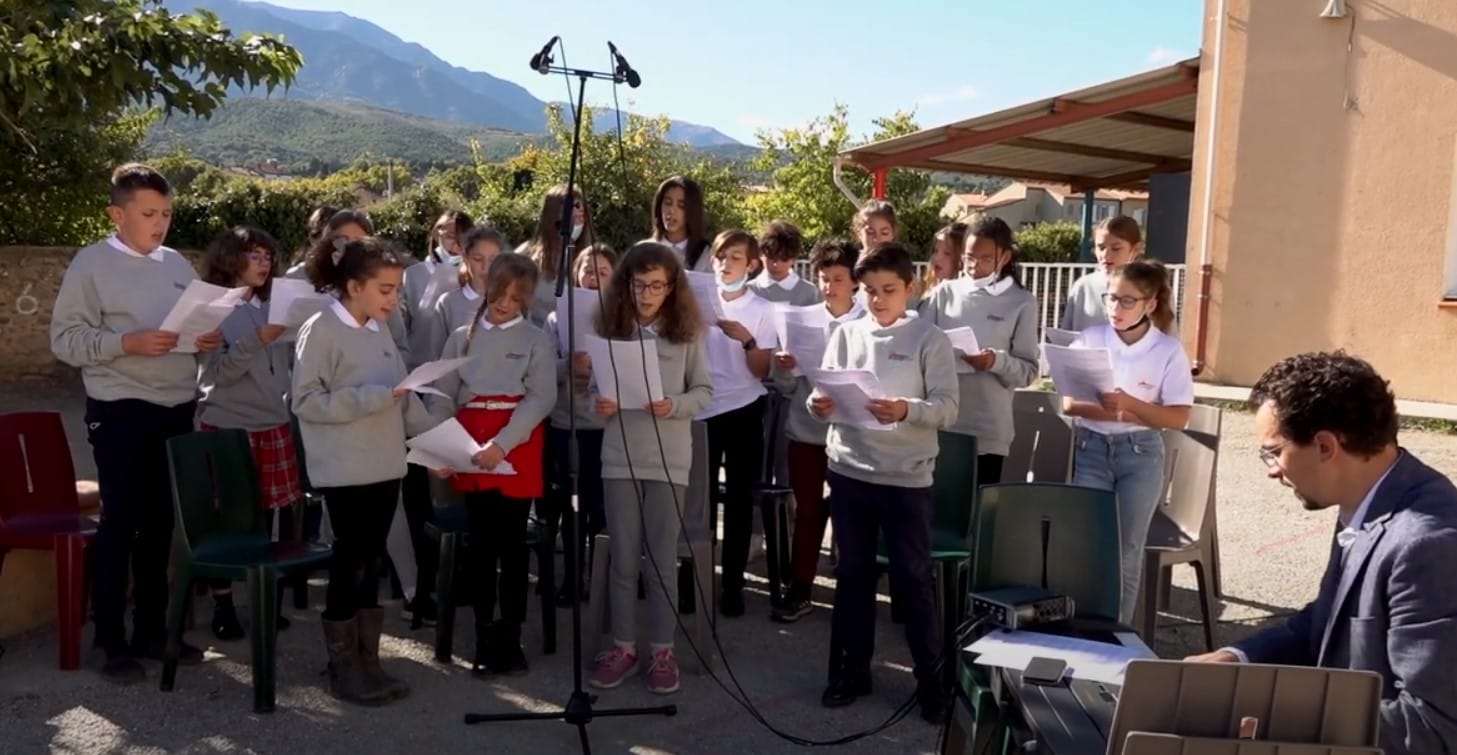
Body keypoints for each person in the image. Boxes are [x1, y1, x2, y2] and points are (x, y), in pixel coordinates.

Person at [1187, 352, 1457, 755]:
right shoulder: (1366, 495)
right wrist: (1238, 660)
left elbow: (1431, 728)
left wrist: (1267, 713)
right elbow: (1329, 619)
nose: (1272, 470)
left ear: (1326, 446)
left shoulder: (1427, 544)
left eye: (1274, 452)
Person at [50, 162, 222, 682]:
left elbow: (190, 330)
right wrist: (126, 342)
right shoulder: (91, 265)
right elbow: (65, 341)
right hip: (120, 409)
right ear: (116, 214)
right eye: (149, 213)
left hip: (175, 408)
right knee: (121, 524)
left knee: (160, 527)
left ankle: (151, 631)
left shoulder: (177, 266)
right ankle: (110, 642)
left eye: (166, 213)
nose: (160, 223)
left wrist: (205, 340)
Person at [809, 242, 958, 722]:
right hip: (850, 469)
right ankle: (854, 671)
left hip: (906, 478)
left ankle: (930, 681)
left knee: (913, 580)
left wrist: (906, 410)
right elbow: (826, 387)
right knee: (852, 576)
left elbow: (948, 408)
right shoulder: (847, 333)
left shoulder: (931, 340)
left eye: (888, 290)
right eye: (869, 291)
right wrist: (820, 403)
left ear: (910, 289)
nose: (877, 300)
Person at [293, 235, 437, 706]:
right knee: (350, 561)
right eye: (385, 289)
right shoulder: (321, 329)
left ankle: (366, 661)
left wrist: (441, 442)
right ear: (354, 286)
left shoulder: (378, 330)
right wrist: (375, 399)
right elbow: (306, 402)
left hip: (384, 464)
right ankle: (343, 668)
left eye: (397, 289)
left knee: (371, 561)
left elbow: (403, 394)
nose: (394, 299)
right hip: (346, 469)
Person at [588, 242, 713, 696]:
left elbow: (704, 392)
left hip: (669, 460)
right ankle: (623, 647)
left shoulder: (687, 333)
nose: (646, 294)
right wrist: (599, 405)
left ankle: (663, 649)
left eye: (657, 286)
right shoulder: (610, 328)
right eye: (639, 285)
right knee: (623, 557)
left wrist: (673, 403)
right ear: (626, 284)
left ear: (672, 287)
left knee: (660, 560)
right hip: (618, 455)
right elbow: (591, 399)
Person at [426, 253, 555, 676]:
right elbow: (442, 394)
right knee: (480, 546)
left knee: (513, 546)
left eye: (516, 298)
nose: (505, 304)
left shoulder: (536, 339)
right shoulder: (462, 337)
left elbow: (541, 398)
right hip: (469, 442)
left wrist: (503, 444)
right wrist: (441, 449)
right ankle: (483, 633)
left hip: (517, 441)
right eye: (500, 294)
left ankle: (510, 634)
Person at [1063, 259, 1193, 624]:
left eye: (1127, 301)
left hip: (1140, 455)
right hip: (1091, 449)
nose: (1115, 309)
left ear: (1150, 304)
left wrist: (1130, 405)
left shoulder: (1167, 350)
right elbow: (1071, 403)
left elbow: (1178, 416)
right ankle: (1081, 627)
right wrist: (1125, 412)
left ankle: (1114, 633)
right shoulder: (1091, 338)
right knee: (1087, 544)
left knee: (1126, 550)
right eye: (1111, 299)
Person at [197, 226, 301, 640]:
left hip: (273, 421)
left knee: (269, 520)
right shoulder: (214, 307)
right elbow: (216, 376)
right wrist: (256, 340)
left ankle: (265, 602)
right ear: (230, 259)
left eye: (268, 256)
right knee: (228, 518)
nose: (265, 263)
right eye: (254, 256)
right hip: (228, 426)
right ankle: (224, 606)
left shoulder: (274, 302)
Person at [770, 238, 865, 623]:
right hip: (806, 432)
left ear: (855, 281)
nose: (829, 286)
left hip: (854, 435)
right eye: (824, 278)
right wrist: (787, 367)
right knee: (807, 512)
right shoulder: (803, 319)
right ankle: (801, 588)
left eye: (838, 278)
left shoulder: (868, 322)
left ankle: (853, 590)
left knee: (851, 516)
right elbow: (787, 386)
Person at [919, 216, 1040, 485]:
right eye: (970, 257)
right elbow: (919, 347)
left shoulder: (1022, 302)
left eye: (986, 259)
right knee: (935, 515)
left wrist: (995, 361)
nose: (975, 266)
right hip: (940, 422)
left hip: (987, 429)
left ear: (1005, 257)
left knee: (977, 513)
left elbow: (1029, 371)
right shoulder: (944, 293)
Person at [699, 230, 779, 618]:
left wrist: (748, 341)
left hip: (744, 407)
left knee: (739, 501)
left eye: (734, 257)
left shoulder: (763, 309)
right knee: (701, 501)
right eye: (719, 257)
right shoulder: (697, 300)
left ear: (751, 265)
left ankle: (732, 584)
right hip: (701, 407)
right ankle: (694, 579)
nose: (724, 264)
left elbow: (761, 371)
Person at [543, 244, 617, 604]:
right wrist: (566, 367)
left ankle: (603, 582)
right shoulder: (557, 318)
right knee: (570, 507)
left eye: (603, 273)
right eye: (589, 270)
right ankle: (571, 579)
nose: (594, 278)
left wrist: (597, 373)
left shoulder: (622, 319)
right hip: (565, 423)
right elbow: (541, 370)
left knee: (601, 510)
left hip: (605, 428)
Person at [523, 185, 595, 326]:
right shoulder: (526, 257)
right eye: (571, 217)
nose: (577, 223)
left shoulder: (592, 258)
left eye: (580, 217)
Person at [1060, 215, 1143, 331]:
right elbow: (1066, 336)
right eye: (1101, 247)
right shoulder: (1083, 286)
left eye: (1116, 248)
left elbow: (1168, 339)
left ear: (1136, 249)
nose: (1105, 255)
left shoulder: (1153, 288)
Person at [649, 176, 712, 272]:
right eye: (667, 203)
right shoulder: (644, 251)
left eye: (681, 206)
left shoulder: (707, 255)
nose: (671, 211)